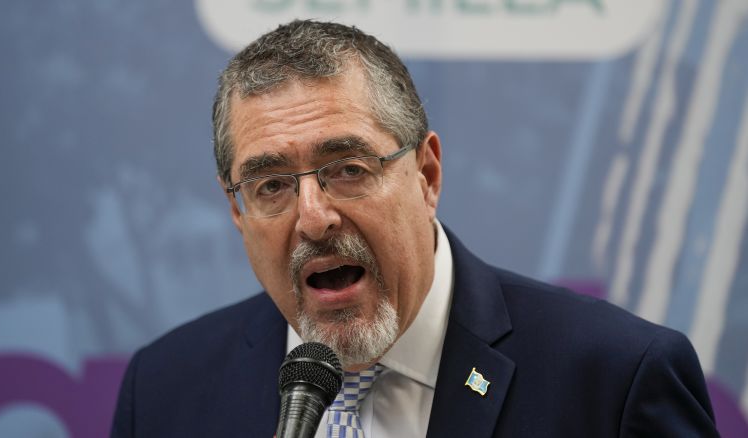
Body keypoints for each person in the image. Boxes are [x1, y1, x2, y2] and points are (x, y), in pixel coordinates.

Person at [111, 20, 718, 437]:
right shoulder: (166, 392)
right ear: (237, 212)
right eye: (271, 185)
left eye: (347, 168)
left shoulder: (613, 380)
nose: (314, 217)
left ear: (426, 174)